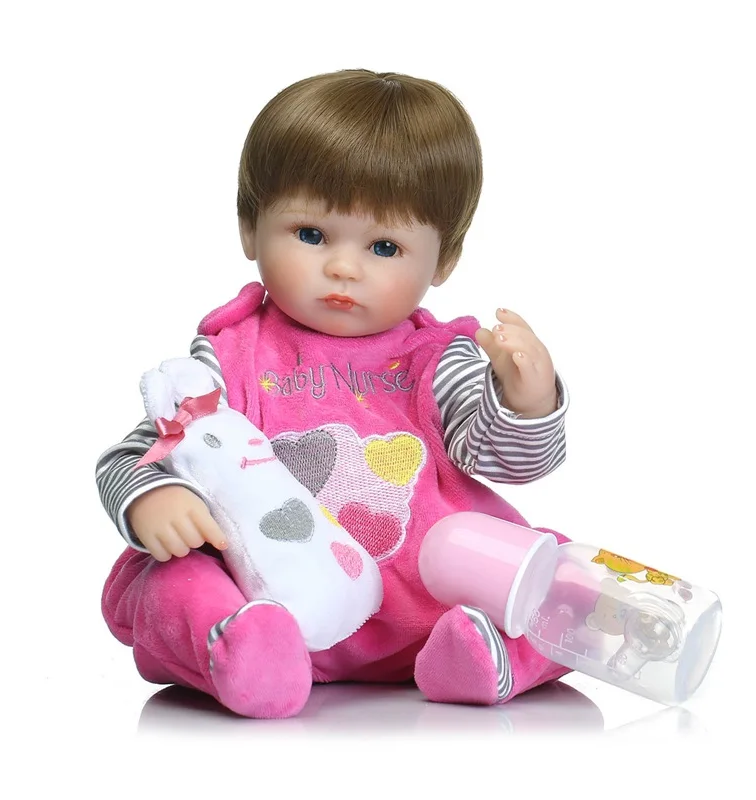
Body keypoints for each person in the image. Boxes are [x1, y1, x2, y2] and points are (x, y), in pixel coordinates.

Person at [97, 68, 572, 719]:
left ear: (443, 260)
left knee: (559, 576)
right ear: (250, 228)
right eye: (311, 235)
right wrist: (156, 496)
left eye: (385, 246)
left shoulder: (439, 361)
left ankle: (483, 655)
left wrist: (526, 401)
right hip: (271, 599)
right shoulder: (231, 355)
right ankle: (245, 652)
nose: (344, 267)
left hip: (427, 609)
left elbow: (509, 462)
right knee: (173, 578)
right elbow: (138, 452)